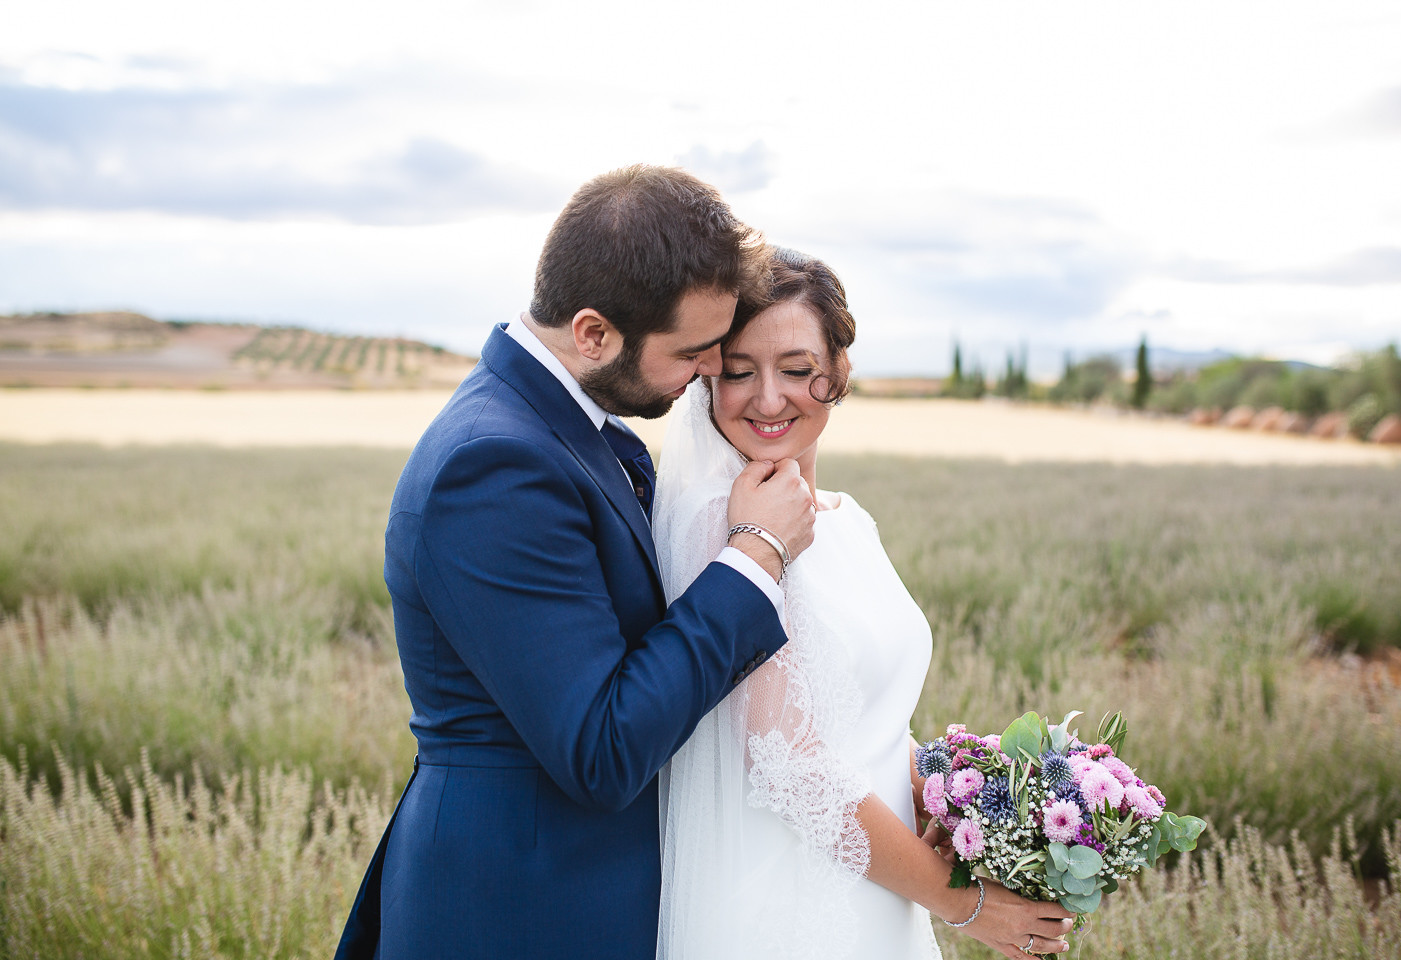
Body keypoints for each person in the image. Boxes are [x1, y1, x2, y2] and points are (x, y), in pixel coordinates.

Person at [333, 166, 818, 960]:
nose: (708, 369)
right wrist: (754, 556)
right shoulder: (493, 466)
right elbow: (601, 748)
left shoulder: (567, 430)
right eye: (692, 351)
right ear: (593, 333)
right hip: (515, 910)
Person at [652, 247, 1075, 960]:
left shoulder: (849, 520)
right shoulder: (718, 528)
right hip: (789, 908)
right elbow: (789, 766)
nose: (768, 399)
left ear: (838, 373)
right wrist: (965, 905)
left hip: (880, 889)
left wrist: (960, 791)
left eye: (796, 370)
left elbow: (859, 717)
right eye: (739, 372)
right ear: (707, 380)